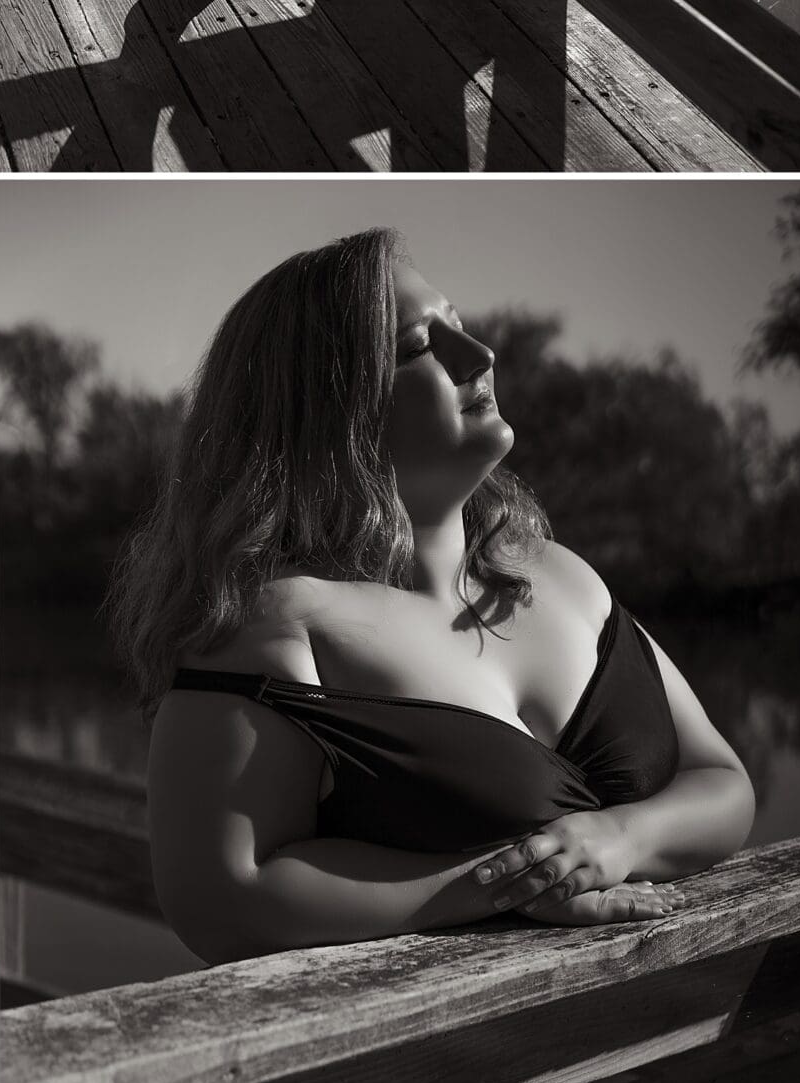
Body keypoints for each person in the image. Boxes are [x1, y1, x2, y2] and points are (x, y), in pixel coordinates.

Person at [107, 228, 756, 963]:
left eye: (458, 322)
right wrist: (513, 883)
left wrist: (618, 837)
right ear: (332, 408)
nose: (476, 356)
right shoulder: (271, 628)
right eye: (421, 344)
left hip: (695, 1061)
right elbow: (221, 900)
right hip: (453, 1068)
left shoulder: (565, 578)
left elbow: (722, 784)